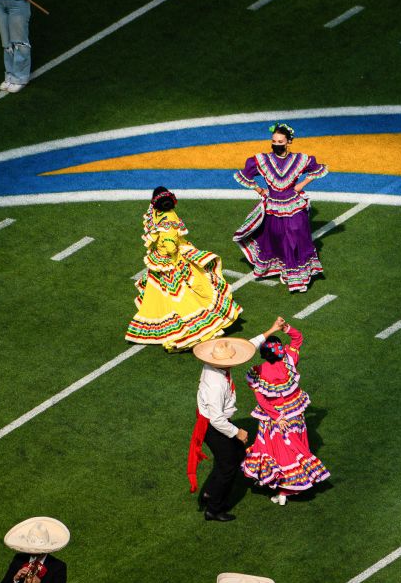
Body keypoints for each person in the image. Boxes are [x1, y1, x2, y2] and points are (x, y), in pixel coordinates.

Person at [126, 186, 242, 351]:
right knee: (179, 292)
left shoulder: (159, 215)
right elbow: (170, 244)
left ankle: (184, 326)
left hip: (167, 262)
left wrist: (161, 250)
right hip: (167, 261)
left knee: (175, 296)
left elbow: (169, 246)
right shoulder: (165, 216)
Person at [191, 326, 279, 522]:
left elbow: (248, 346)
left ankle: (209, 493)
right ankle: (214, 508)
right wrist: (237, 432)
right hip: (215, 426)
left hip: (215, 423)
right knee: (228, 466)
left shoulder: (213, 368)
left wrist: (271, 329)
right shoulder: (217, 385)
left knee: (235, 455)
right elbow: (217, 419)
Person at [240, 318, 330, 504]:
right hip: (294, 413)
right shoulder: (290, 359)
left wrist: (277, 416)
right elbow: (298, 339)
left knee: (275, 452)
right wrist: (285, 328)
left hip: (273, 418)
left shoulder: (257, 372)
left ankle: (282, 489)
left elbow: (261, 399)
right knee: (295, 447)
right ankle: (284, 491)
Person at [233, 123, 328, 292]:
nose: (276, 144)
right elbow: (245, 175)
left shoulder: (299, 159)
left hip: (293, 204)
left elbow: (317, 169)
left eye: (280, 141)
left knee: (295, 237)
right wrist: (260, 190)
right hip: (273, 205)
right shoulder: (262, 160)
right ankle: (283, 269)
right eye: (274, 141)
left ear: (288, 142)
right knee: (277, 239)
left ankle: (295, 276)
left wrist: (301, 184)